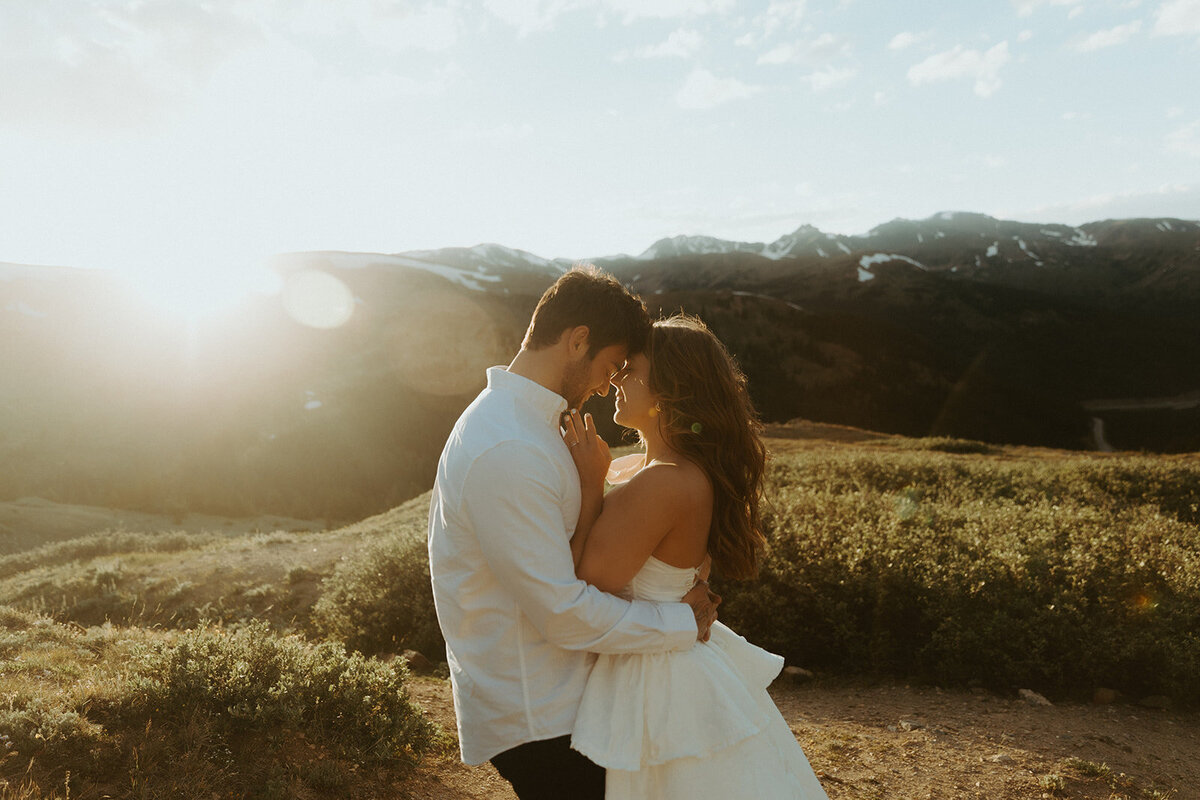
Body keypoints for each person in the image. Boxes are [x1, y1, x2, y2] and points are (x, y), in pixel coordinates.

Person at [427, 267, 720, 800]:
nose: (610, 384)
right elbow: (563, 612)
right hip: (541, 713)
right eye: (610, 366)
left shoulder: (531, 427)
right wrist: (681, 621)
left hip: (570, 699)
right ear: (577, 340)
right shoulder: (508, 448)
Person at [562, 314, 830, 799]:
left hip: (658, 679)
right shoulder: (655, 469)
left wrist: (586, 485)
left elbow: (587, 579)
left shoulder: (666, 479)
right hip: (664, 651)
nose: (618, 379)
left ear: (669, 389)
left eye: (632, 369)